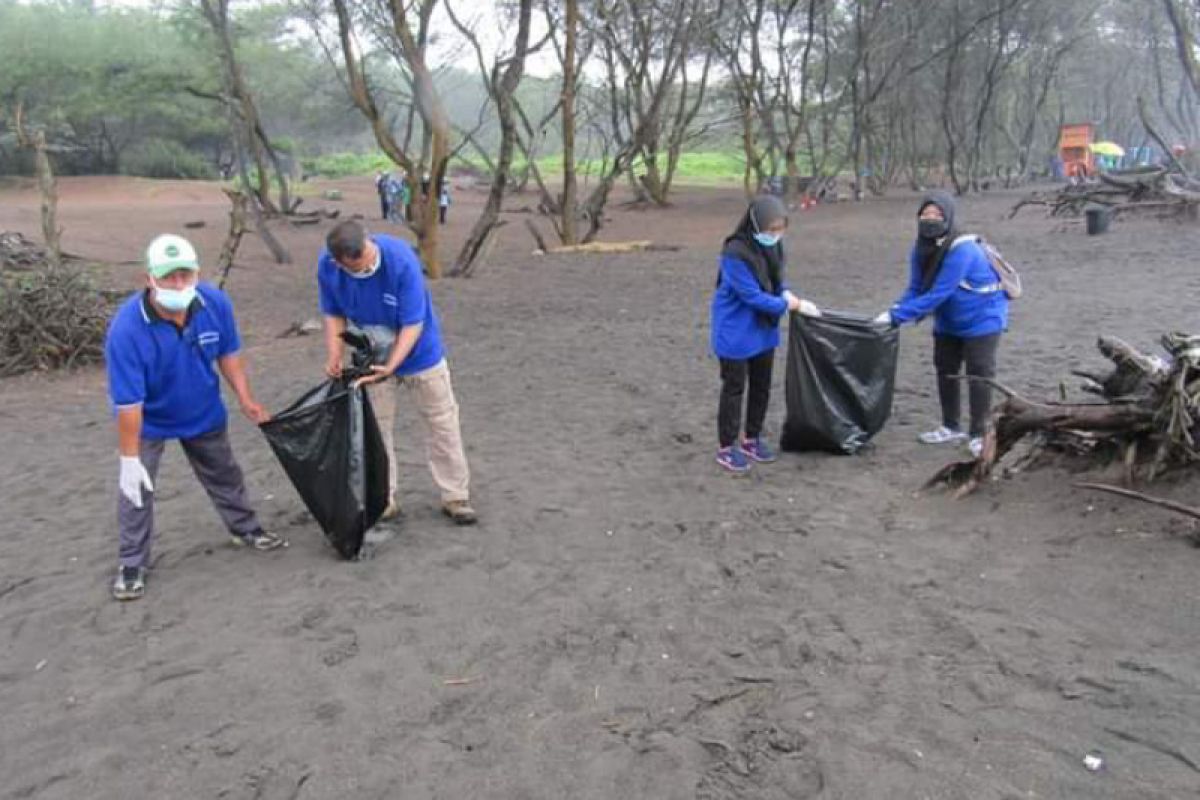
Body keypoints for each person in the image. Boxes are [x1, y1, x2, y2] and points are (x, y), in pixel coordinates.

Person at [104, 234, 285, 601]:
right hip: (149, 419)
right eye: (169, 277)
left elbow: (228, 353)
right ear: (149, 279)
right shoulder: (126, 330)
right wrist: (128, 459)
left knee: (224, 472)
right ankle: (132, 562)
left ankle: (245, 528)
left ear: (197, 273)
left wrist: (246, 398)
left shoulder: (214, 303)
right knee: (136, 488)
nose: (178, 284)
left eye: (185, 275)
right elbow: (128, 405)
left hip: (202, 408)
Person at [317, 220, 477, 525]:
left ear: (369, 240)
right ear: (339, 263)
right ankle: (384, 499)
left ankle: (456, 496)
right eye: (360, 266)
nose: (368, 266)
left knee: (442, 422)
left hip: (420, 354)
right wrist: (335, 353)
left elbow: (413, 322)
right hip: (370, 356)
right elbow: (333, 312)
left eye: (369, 258)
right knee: (376, 430)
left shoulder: (401, 260)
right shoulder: (328, 267)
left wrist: (392, 365)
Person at [875, 191, 1009, 458]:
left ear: (948, 217)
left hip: (982, 318)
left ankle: (978, 434)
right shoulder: (921, 247)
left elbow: (939, 293)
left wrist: (897, 318)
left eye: (937, 215)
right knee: (945, 369)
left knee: (979, 374)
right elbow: (916, 287)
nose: (930, 219)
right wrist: (895, 310)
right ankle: (950, 426)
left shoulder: (964, 250)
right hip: (948, 320)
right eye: (925, 214)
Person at [710, 195, 820, 473]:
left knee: (761, 386)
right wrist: (790, 304)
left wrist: (786, 292)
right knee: (734, 388)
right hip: (735, 331)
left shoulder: (774, 248)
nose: (775, 235)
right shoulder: (734, 253)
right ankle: (726, 446)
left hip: (762, 329)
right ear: (756, 223)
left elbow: (777, 279)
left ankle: (752, 438)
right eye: (770, 229)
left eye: (780, 229)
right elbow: (752, 296)